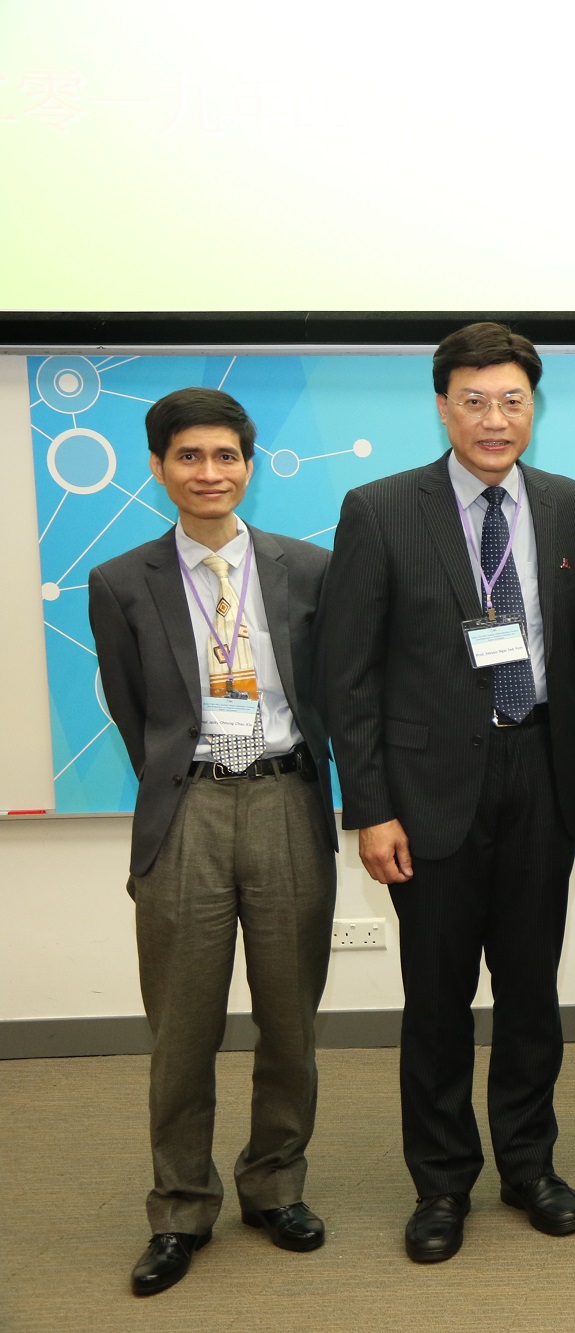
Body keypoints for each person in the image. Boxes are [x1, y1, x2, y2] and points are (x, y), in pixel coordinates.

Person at [319, 322, 575, 1263]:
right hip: (426, 787)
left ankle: (529, 1164)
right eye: (474, 400)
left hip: (540, 774)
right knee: (436, 999)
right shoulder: (381, 507)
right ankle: (441, 1183)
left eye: (512, 400)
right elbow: (346, 673)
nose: (494, 418)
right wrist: (369, 806)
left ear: (534, 407)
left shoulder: (569, 505)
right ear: (443, 406)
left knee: (532, 991)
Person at [88, 388, 339, 1297]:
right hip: (188, 809)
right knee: (182, 1026)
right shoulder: (120, 581)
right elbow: (131, 710)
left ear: (249, 463)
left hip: (286, 799)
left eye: (225, 456)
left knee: (289, 1018)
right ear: (158, 468)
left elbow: (332, 693)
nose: (209, 473)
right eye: (189, 457)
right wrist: (188, 777)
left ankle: (275, 1185)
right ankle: (180, 1207)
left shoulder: (309, 568)